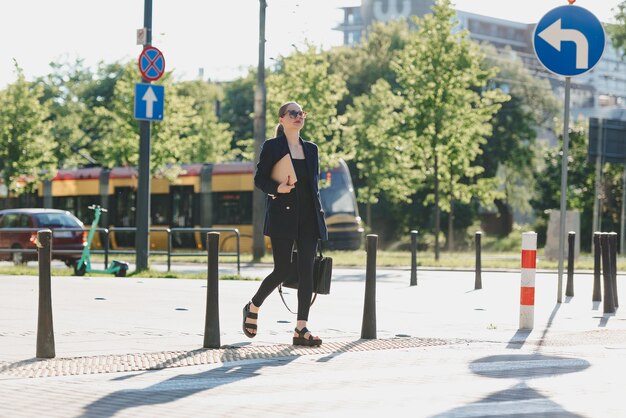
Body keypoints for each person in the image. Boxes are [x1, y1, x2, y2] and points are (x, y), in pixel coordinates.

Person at [242, 101, 328, 347]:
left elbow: (313, 187)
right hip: (282, 215)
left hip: (309, 218)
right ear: (281, 119)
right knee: (282, 270)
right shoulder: (272, 146)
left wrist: (320, 218)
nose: (298, 116)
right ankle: (253, 305)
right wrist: (277, 189)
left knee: (306, 271)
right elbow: (260, 179)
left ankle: (301, 329)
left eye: (301, 112)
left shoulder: (311, 149)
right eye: (293, 113)